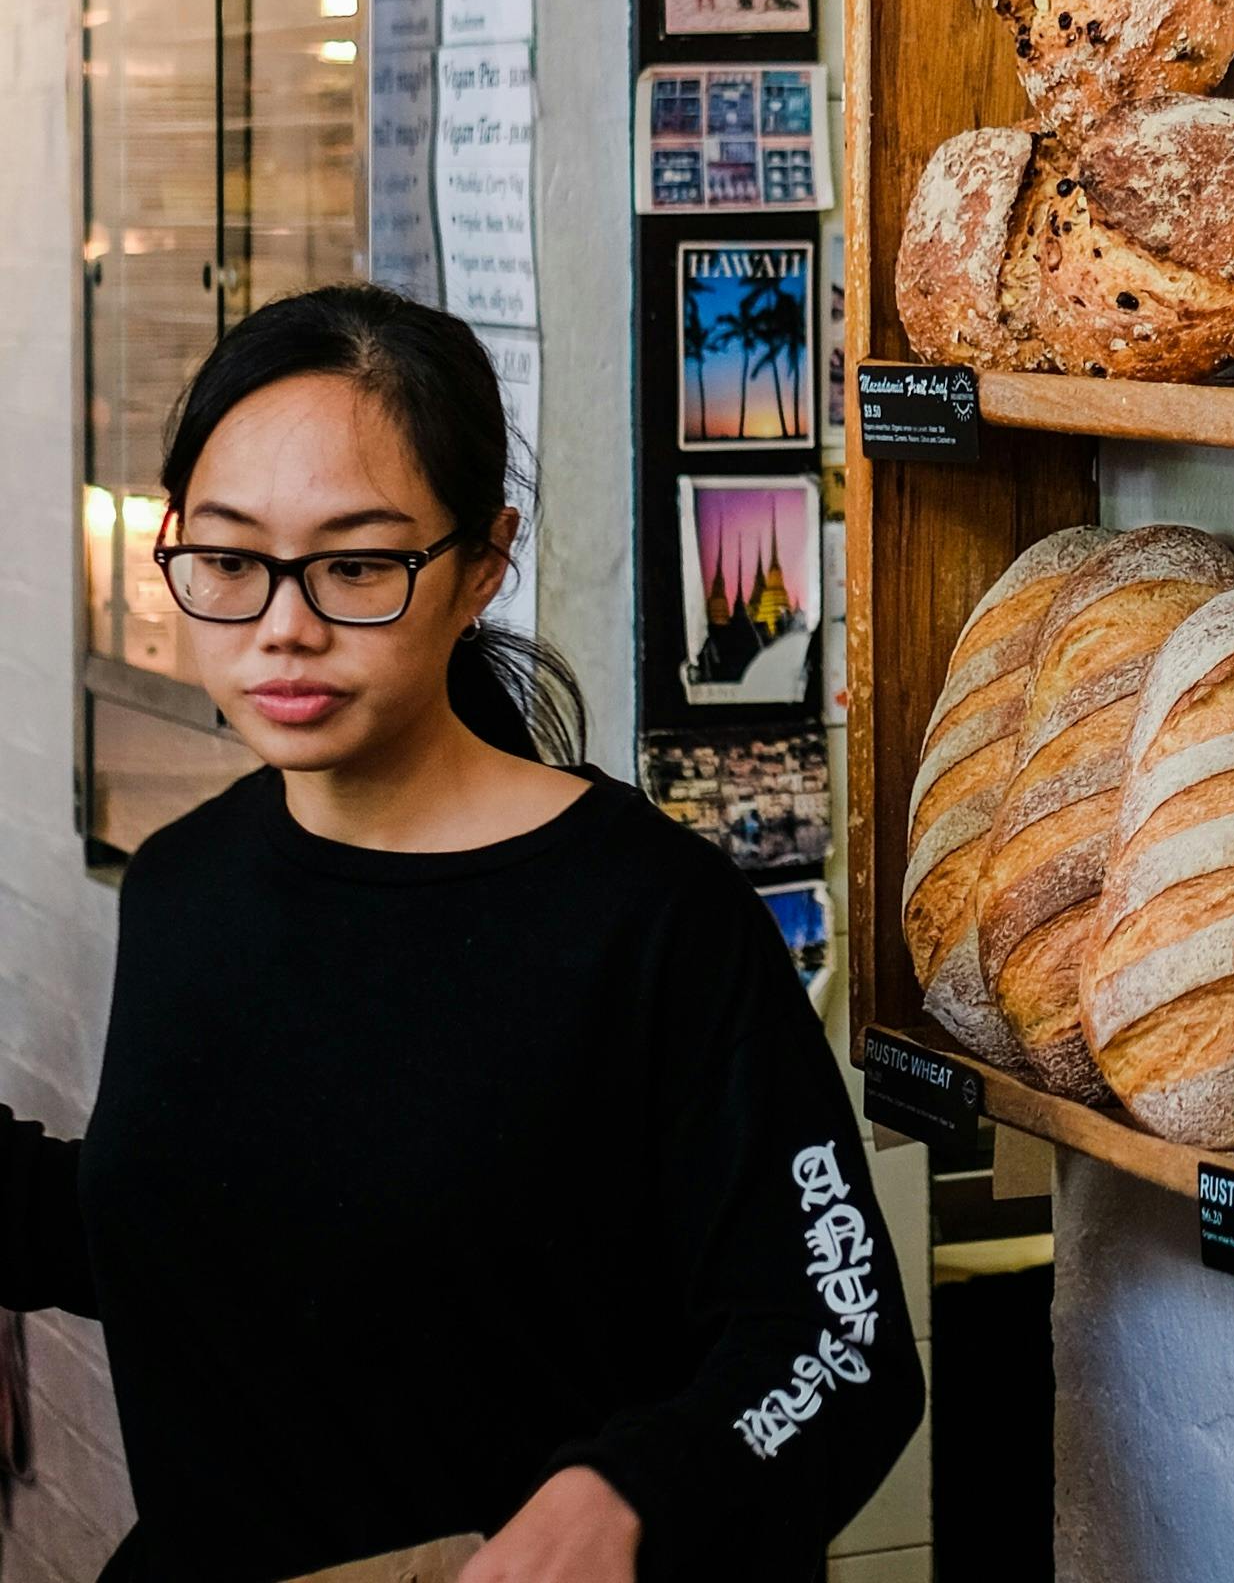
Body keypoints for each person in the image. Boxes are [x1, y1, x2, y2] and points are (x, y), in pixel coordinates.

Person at [0, 285, 920, 1582]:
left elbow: (839, 1340)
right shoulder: (184, 884)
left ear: (484, 562)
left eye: (359, 565)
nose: (284, 624)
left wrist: (633, 1492)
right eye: (228, 559)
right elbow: (219, 1236)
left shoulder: (649, 919)